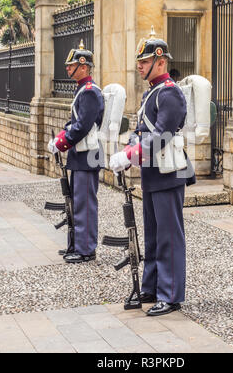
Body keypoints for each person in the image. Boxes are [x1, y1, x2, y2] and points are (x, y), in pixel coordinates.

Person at [110, 28, 195, 316]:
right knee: (153, 235)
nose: (139, 65)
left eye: (145, 61)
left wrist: (130, 155)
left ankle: (170, 294)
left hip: (169, 173)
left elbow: (162, 135)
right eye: (140, 61)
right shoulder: (152, 93)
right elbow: (140, 130)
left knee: (169, 236)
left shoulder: (169, 93)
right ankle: (152, 286)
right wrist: (130, 147)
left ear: (160, 61)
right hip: (152, 173)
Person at [48, 40, 104, 264]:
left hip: (87, 155)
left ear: (84, 66)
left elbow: (82, 126)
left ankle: (86, 249)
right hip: (81, 154)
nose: (68, 69)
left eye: (72, 65)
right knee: (77, 202)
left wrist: (62, 143)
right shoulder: (82, 90)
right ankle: (77, 244)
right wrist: (61, 137)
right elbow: (74, 123)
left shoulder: (89, 92)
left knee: (85, 204)